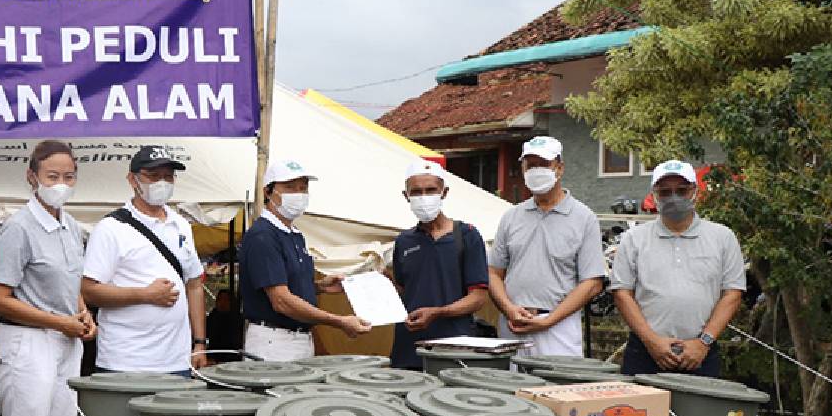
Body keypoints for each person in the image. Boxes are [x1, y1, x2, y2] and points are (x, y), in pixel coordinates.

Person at [0, 140, 96, 416]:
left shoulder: (72, 227)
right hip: (27, 342)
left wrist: (82, 313)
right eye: (52, 176)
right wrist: (58, 320)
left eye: (68, 176)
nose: (61, 183)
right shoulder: (18, 227)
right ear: (32, 176)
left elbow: (71, 285)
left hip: (66, 342)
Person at [611, 160, 746, 376]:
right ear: (654, 194)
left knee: (698, 411)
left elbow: (733, 293)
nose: (673, 197)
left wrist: (704, 342)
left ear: (694, 191)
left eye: (681, 190)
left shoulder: (722, 237)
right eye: (665, 191)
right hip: (645, 351)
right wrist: (652, 341)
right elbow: (622, 293)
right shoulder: (633, 239)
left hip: (701, 352)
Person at [81, 145, 207, 375]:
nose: (161, 182)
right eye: (153, 176)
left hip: (177, 361)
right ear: (133, 179)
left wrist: (199, 343)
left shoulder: (181, 225)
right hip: (126, 360)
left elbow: (195, 285)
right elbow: (89, 291)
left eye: (168, 176)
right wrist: (145, 294)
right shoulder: (111, 228)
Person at [239, 159, 371, 361]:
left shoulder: (295, 235)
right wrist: (338, 321)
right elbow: (281, 301)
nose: (298, 194)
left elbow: (285, 283)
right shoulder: (263, 236)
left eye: (303, 188)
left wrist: (319, 287)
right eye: (290, 188)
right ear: (268, 192)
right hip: (274, 341)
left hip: (298, 339)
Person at [488, 136, 606, 358]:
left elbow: (592, 283)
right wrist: (509, 309)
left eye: (544, 164)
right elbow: (494, 272)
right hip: (513, 325)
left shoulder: (584, 218)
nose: (536, 170)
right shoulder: (511, 217)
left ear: (559, 168)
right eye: (531, 165)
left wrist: (549, 320)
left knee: (557, 390)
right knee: (508, 389)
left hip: (558, 326)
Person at [390, 160, 490, 369]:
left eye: (430, 190)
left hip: (454, 348)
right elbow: (403, 291)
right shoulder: (403, 241)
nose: (424, 197)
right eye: (416, 192)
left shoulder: (467, 236)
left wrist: (438, 312)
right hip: (409, 349)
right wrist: (378, 285)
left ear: (444, 192)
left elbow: (478, 297)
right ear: (406, 195)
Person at [206, 288, 243, 354]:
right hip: (213, 353)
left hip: (233, 354)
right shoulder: (212, 317)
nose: (222, 303)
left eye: (226, 300)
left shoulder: (237, 319)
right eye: (220, 300)